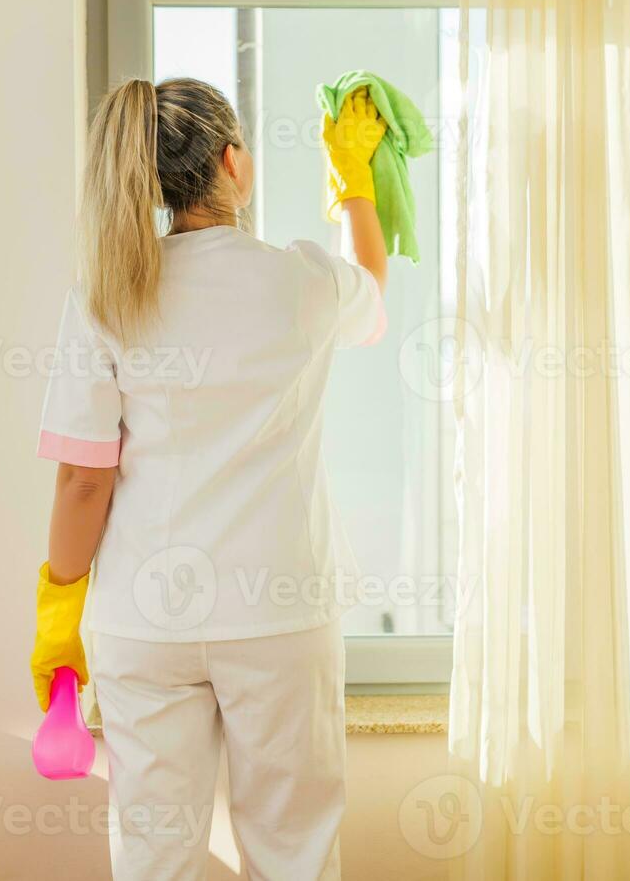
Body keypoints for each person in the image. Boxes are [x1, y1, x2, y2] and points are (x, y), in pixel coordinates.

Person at [30, 76, 388, 880]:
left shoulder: (106, 291)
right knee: (294, 845)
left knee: (156, 852)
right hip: (279, 611)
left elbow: (84, 481)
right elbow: (373, 285)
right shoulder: (302, 280)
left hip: (142, 618)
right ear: (236, 164)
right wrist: (355, 184)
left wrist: (59, 604)